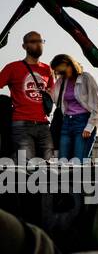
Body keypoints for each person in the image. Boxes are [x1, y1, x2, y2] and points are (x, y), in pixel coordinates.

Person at [0, 31, 56, 161]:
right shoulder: (12, 67)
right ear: (24, 46)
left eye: (40, 41)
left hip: (43, 124)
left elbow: (52, 94)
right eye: (33, 41)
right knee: (26, 163)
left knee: (48, 163)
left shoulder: (48, 69)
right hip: (21, 123)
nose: (38, 44)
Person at [49, 54, 98, 161]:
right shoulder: (62, 81)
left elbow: (97, 105)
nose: (60, 75)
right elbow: (56, 100)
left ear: (70, 65)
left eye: (62, 72)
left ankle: (79, 177)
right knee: (62, 161)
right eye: (58, 73)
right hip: (66, 122)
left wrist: (89, 127)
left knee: (79, 160)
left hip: (83, 122)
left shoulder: (86, 78)